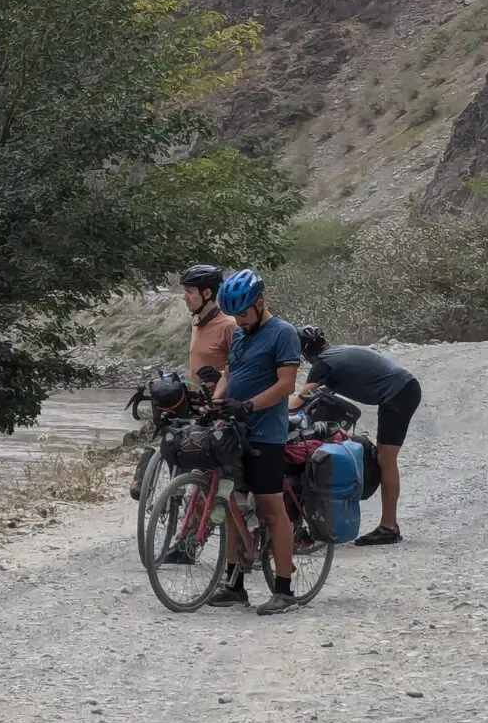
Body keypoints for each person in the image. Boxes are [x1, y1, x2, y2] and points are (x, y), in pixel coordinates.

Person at [210, 270, 302, 616]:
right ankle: (235, 586)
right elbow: (229, 374)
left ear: (260, 303)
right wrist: (217, 402)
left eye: (244, 313)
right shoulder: (239, 335)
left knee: (270, 508)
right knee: (232, 504)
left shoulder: (283, 333)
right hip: (237, 430)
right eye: (234, 314)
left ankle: (284, 590)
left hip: (266, 432)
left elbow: (286, 385)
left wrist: (248, 405)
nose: (238, 320)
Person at [295, 327, 420, 546]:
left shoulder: (323, 364)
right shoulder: (335, 354)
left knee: (386, 459)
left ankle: (389, 527)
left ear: (304, 351)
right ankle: (388, 525)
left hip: (398, 393)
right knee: (385, 458)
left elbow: (300, 400)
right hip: (404, 388)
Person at [179, 264, 236, 390]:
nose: (185, 297)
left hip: (219, 405)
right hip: (198, 404)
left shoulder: (229, 325)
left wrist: (220, 376)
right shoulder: (197, 322)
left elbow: (244, 368)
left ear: (207, 293)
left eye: (189, 292)